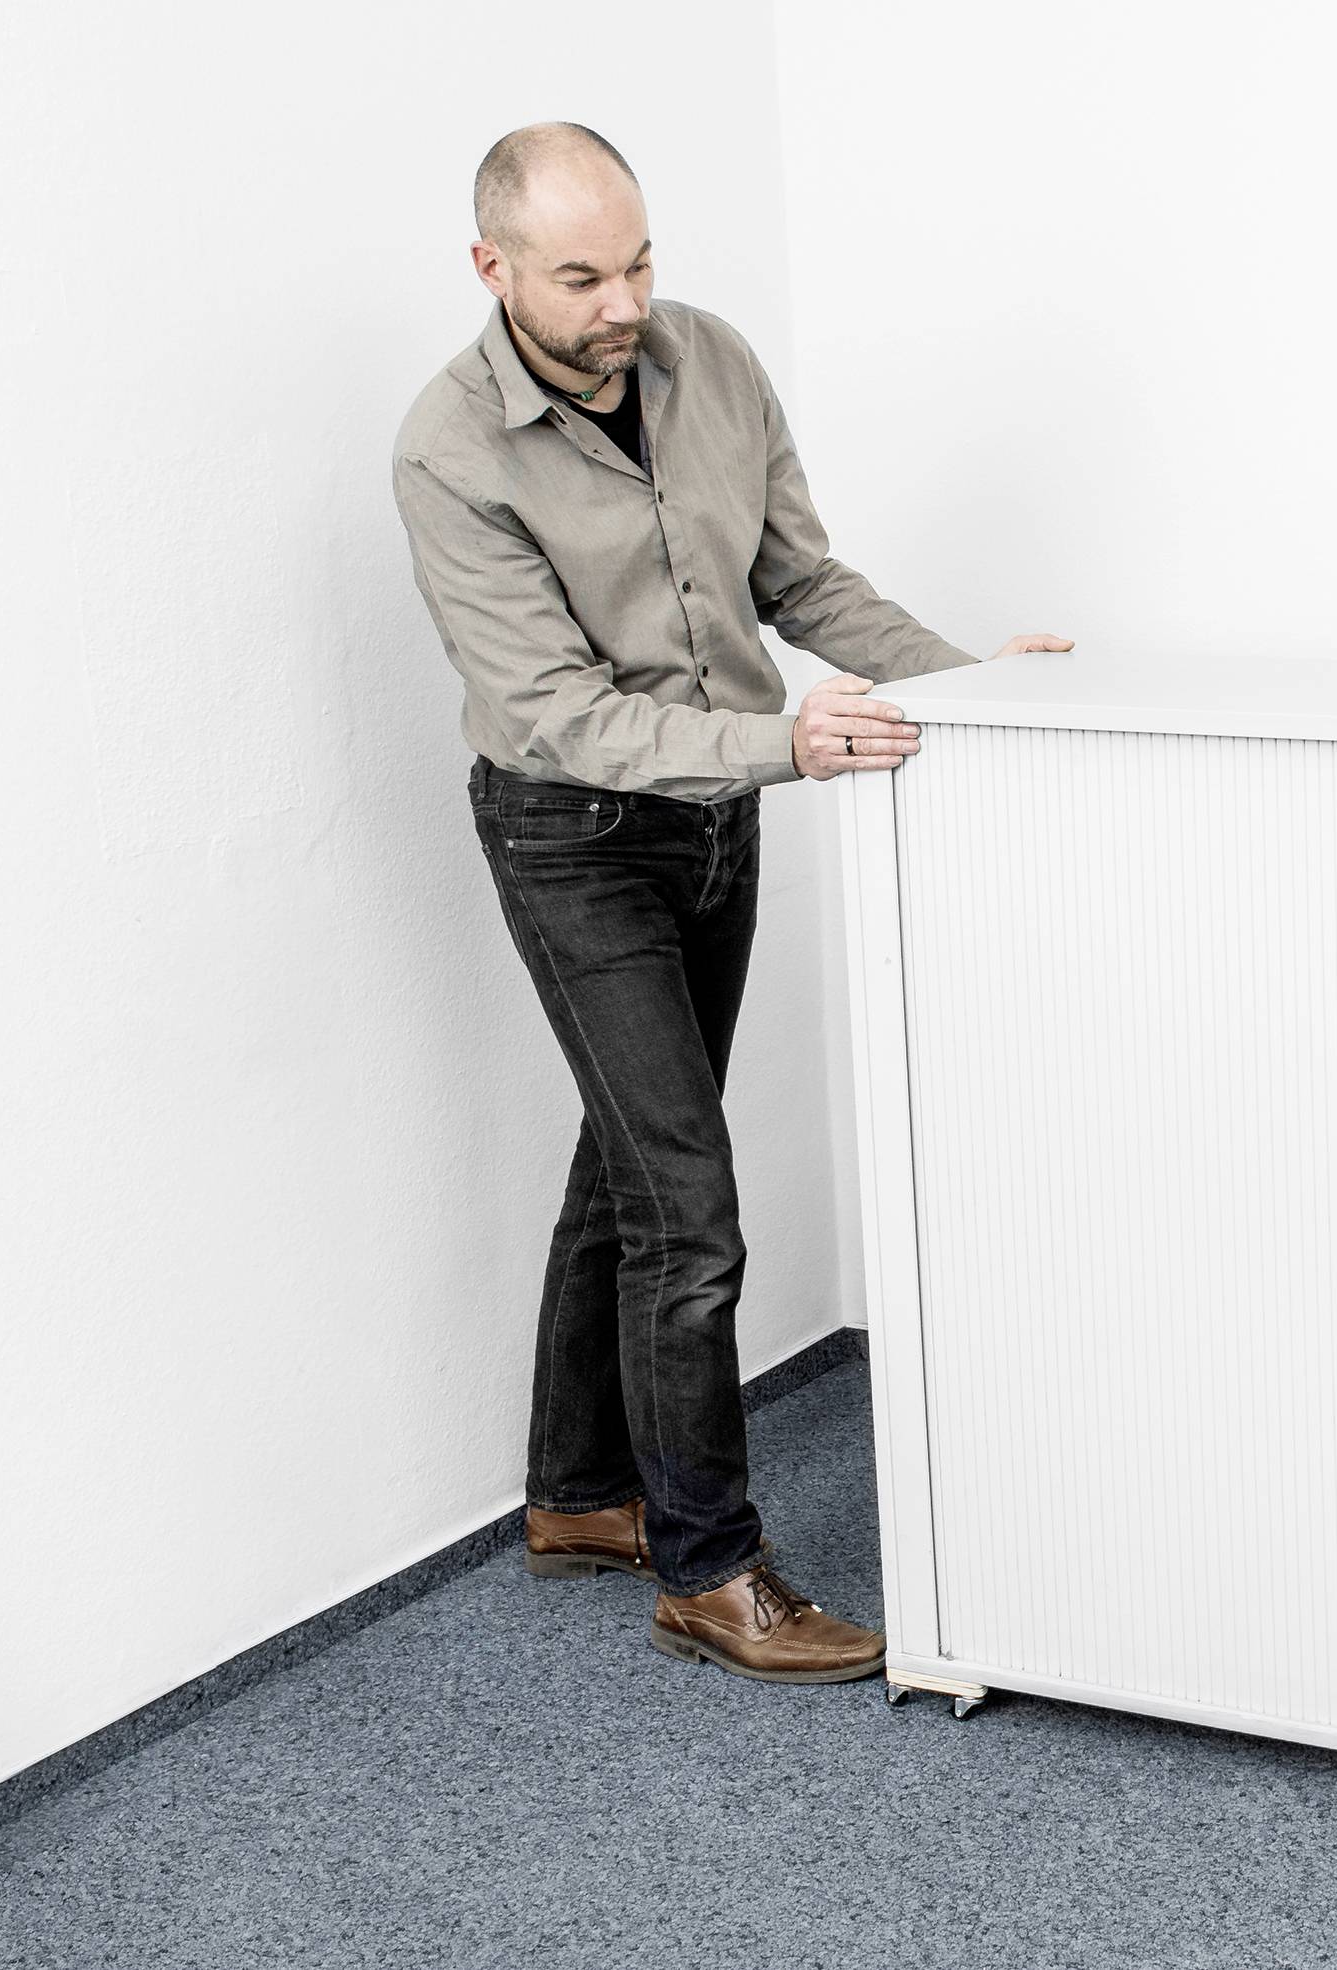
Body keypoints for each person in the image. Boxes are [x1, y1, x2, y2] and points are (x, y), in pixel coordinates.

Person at [391, 121, 1069, 1686]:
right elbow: (555, 711)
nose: (623, 301)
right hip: (574, 832)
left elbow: (802, 583)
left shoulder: (712, 363)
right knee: (687, 1215)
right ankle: (709, 1568)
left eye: (638, 260)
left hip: (718, 824)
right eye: (580, 275)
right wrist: (790, 740)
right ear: (492, 270)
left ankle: (577, 1496)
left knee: (626, 1163)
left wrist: (967, 690)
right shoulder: (447, 450)